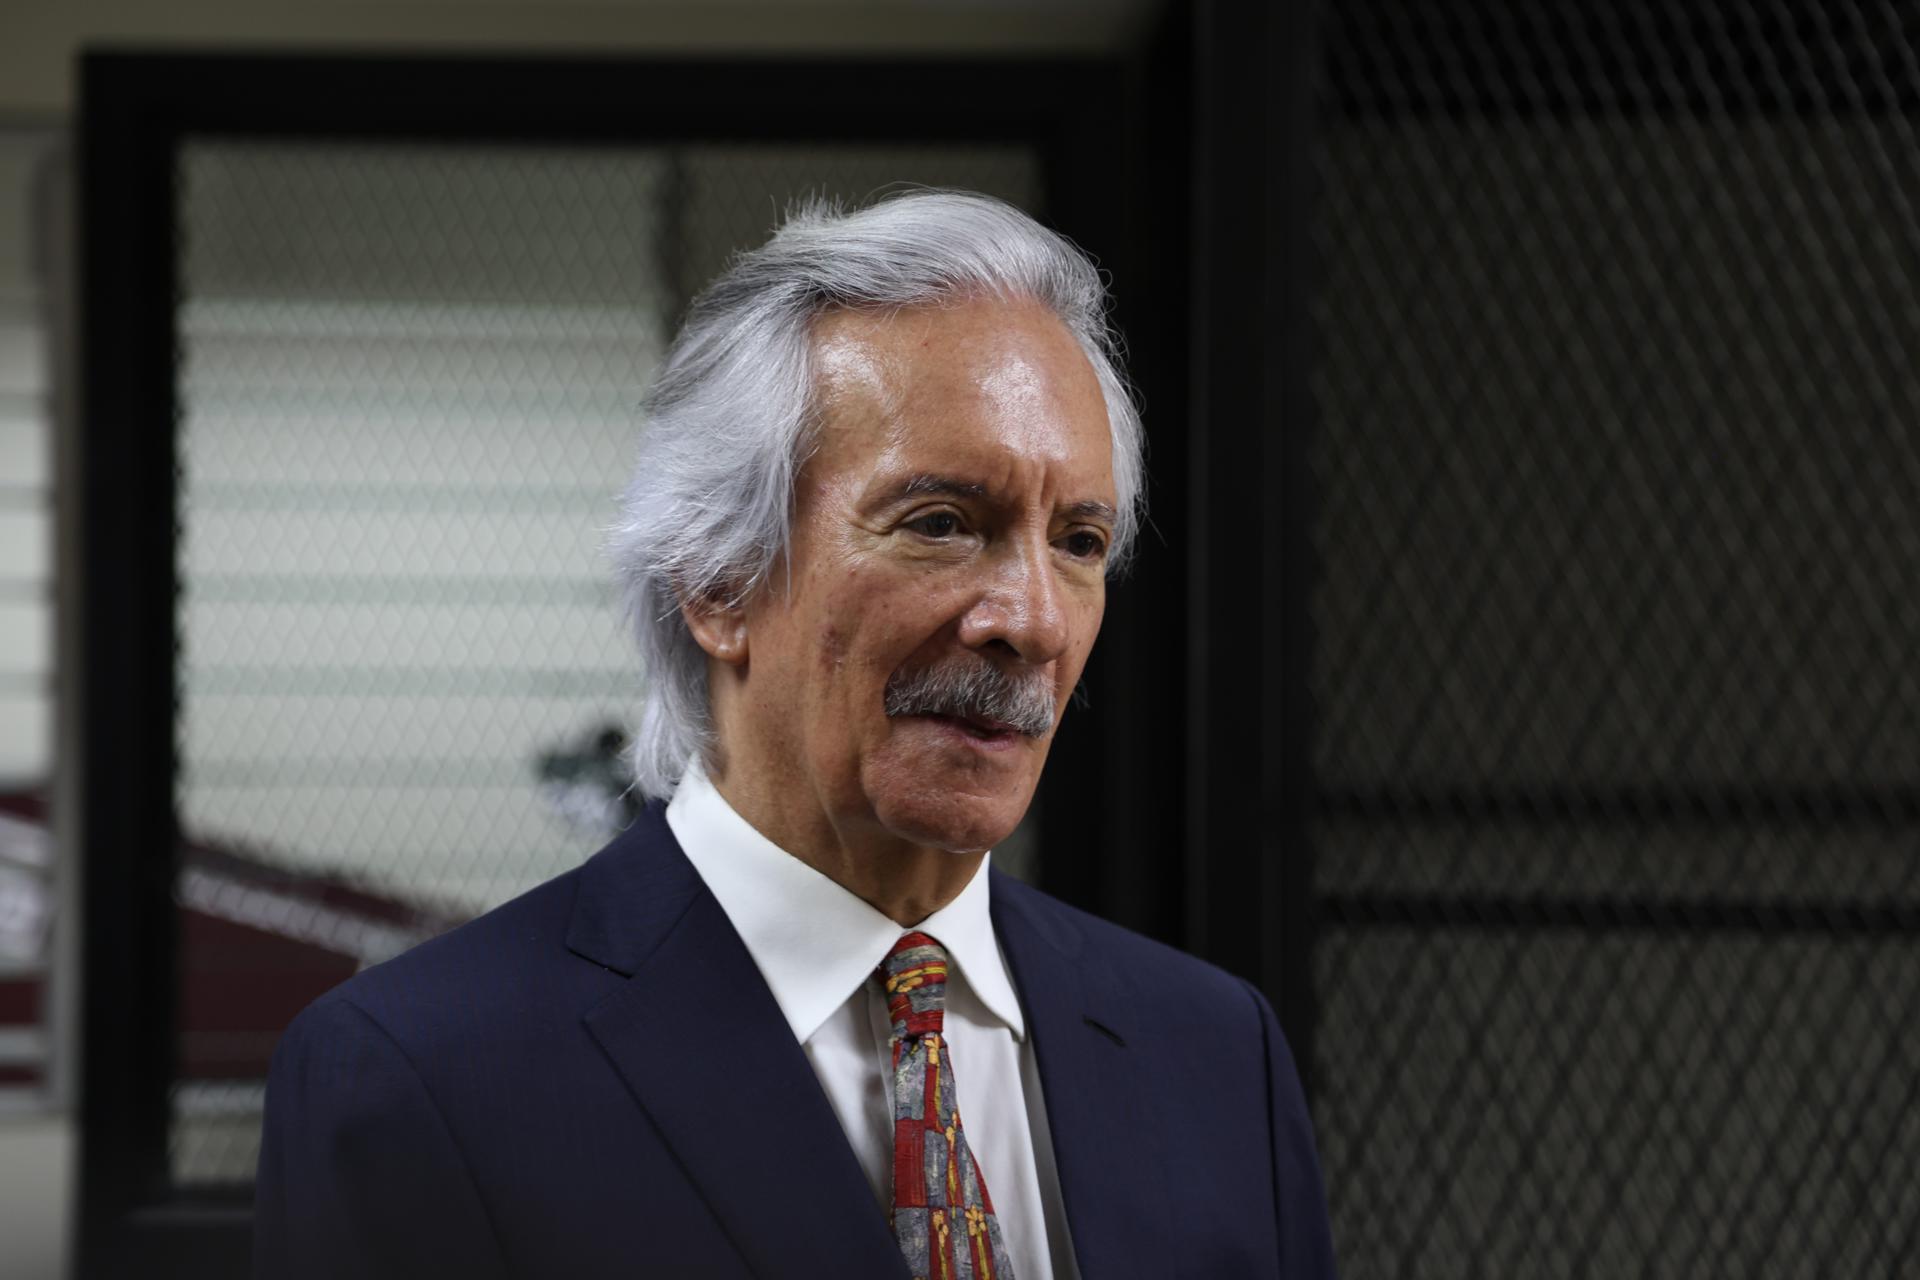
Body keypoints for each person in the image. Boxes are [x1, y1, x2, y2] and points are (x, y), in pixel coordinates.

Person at [253, 190, 1337, 1279]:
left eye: (1080, 542)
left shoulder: (1216, 1056)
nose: (1035, 621)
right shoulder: (418, 1079)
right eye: (942, 523)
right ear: (718, 582)